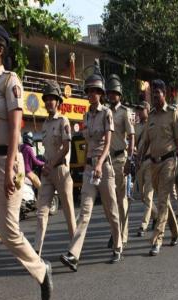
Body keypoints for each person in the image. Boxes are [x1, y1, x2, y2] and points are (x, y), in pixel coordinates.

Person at [0, 24, 53, 300]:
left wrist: (8, 167)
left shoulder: (10, 82)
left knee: (8, 231)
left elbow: (15, 128)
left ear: (0, 49)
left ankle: (41, 270)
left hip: (7, 162)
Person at [60, 71, 123, 271]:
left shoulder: (107, 113)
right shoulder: (86, 115)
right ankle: (74, 254)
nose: (92, 94)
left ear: (101, 93)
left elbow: (107, 144)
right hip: (89, 167)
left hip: (104, 166)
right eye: (89, 91)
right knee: (84, 212)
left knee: (111, 209)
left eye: (95, 91)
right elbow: (87, 143)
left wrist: (98, 164)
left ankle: (118, 245)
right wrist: (85, 165)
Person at [140, 79, 178, 256]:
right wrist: (138, 158)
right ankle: (175, 232)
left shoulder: (173, 114)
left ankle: (157, 239)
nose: (155, 97)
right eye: (153, 94)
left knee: (162, 199)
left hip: (169, 161)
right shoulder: (150, 116)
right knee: (163, 200)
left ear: (164, 94)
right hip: (153, 163)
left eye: (157, 93)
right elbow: (146, 141)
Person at [34, 80, 76, 255]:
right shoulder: (45, 124)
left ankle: (75, 251)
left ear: (58, 102)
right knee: (41, 212)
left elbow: (66, 147)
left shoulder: (63, 120)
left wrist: (50, 164)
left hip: (60, 171)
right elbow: (47, 150)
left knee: (68, 213)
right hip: (48, 172)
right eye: (47, 99)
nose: (49, 102)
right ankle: (36, 252)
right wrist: (45, 164)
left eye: (53, 98)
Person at [106, 74, 135, 248]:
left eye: (114, 93)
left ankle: (122, 235)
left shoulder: (125, 112)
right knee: (110, 201)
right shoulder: (105, 111)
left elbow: (131, 136)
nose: (111, 95)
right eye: (109, 92)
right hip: (107, 160)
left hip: (120, 157)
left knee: (121, 199)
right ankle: (115, 231)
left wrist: (129, 160)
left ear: (120, 95)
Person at [134, 101, 157, 237]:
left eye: (141, 110)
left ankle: (143, 225)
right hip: (140, 162)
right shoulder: (136, 126)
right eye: (138, 110)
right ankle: (156, 215)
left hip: (150, 162)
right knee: (142, 196)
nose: (139, 112)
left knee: (148, 195)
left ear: (147, 110)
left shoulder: (152, 125)